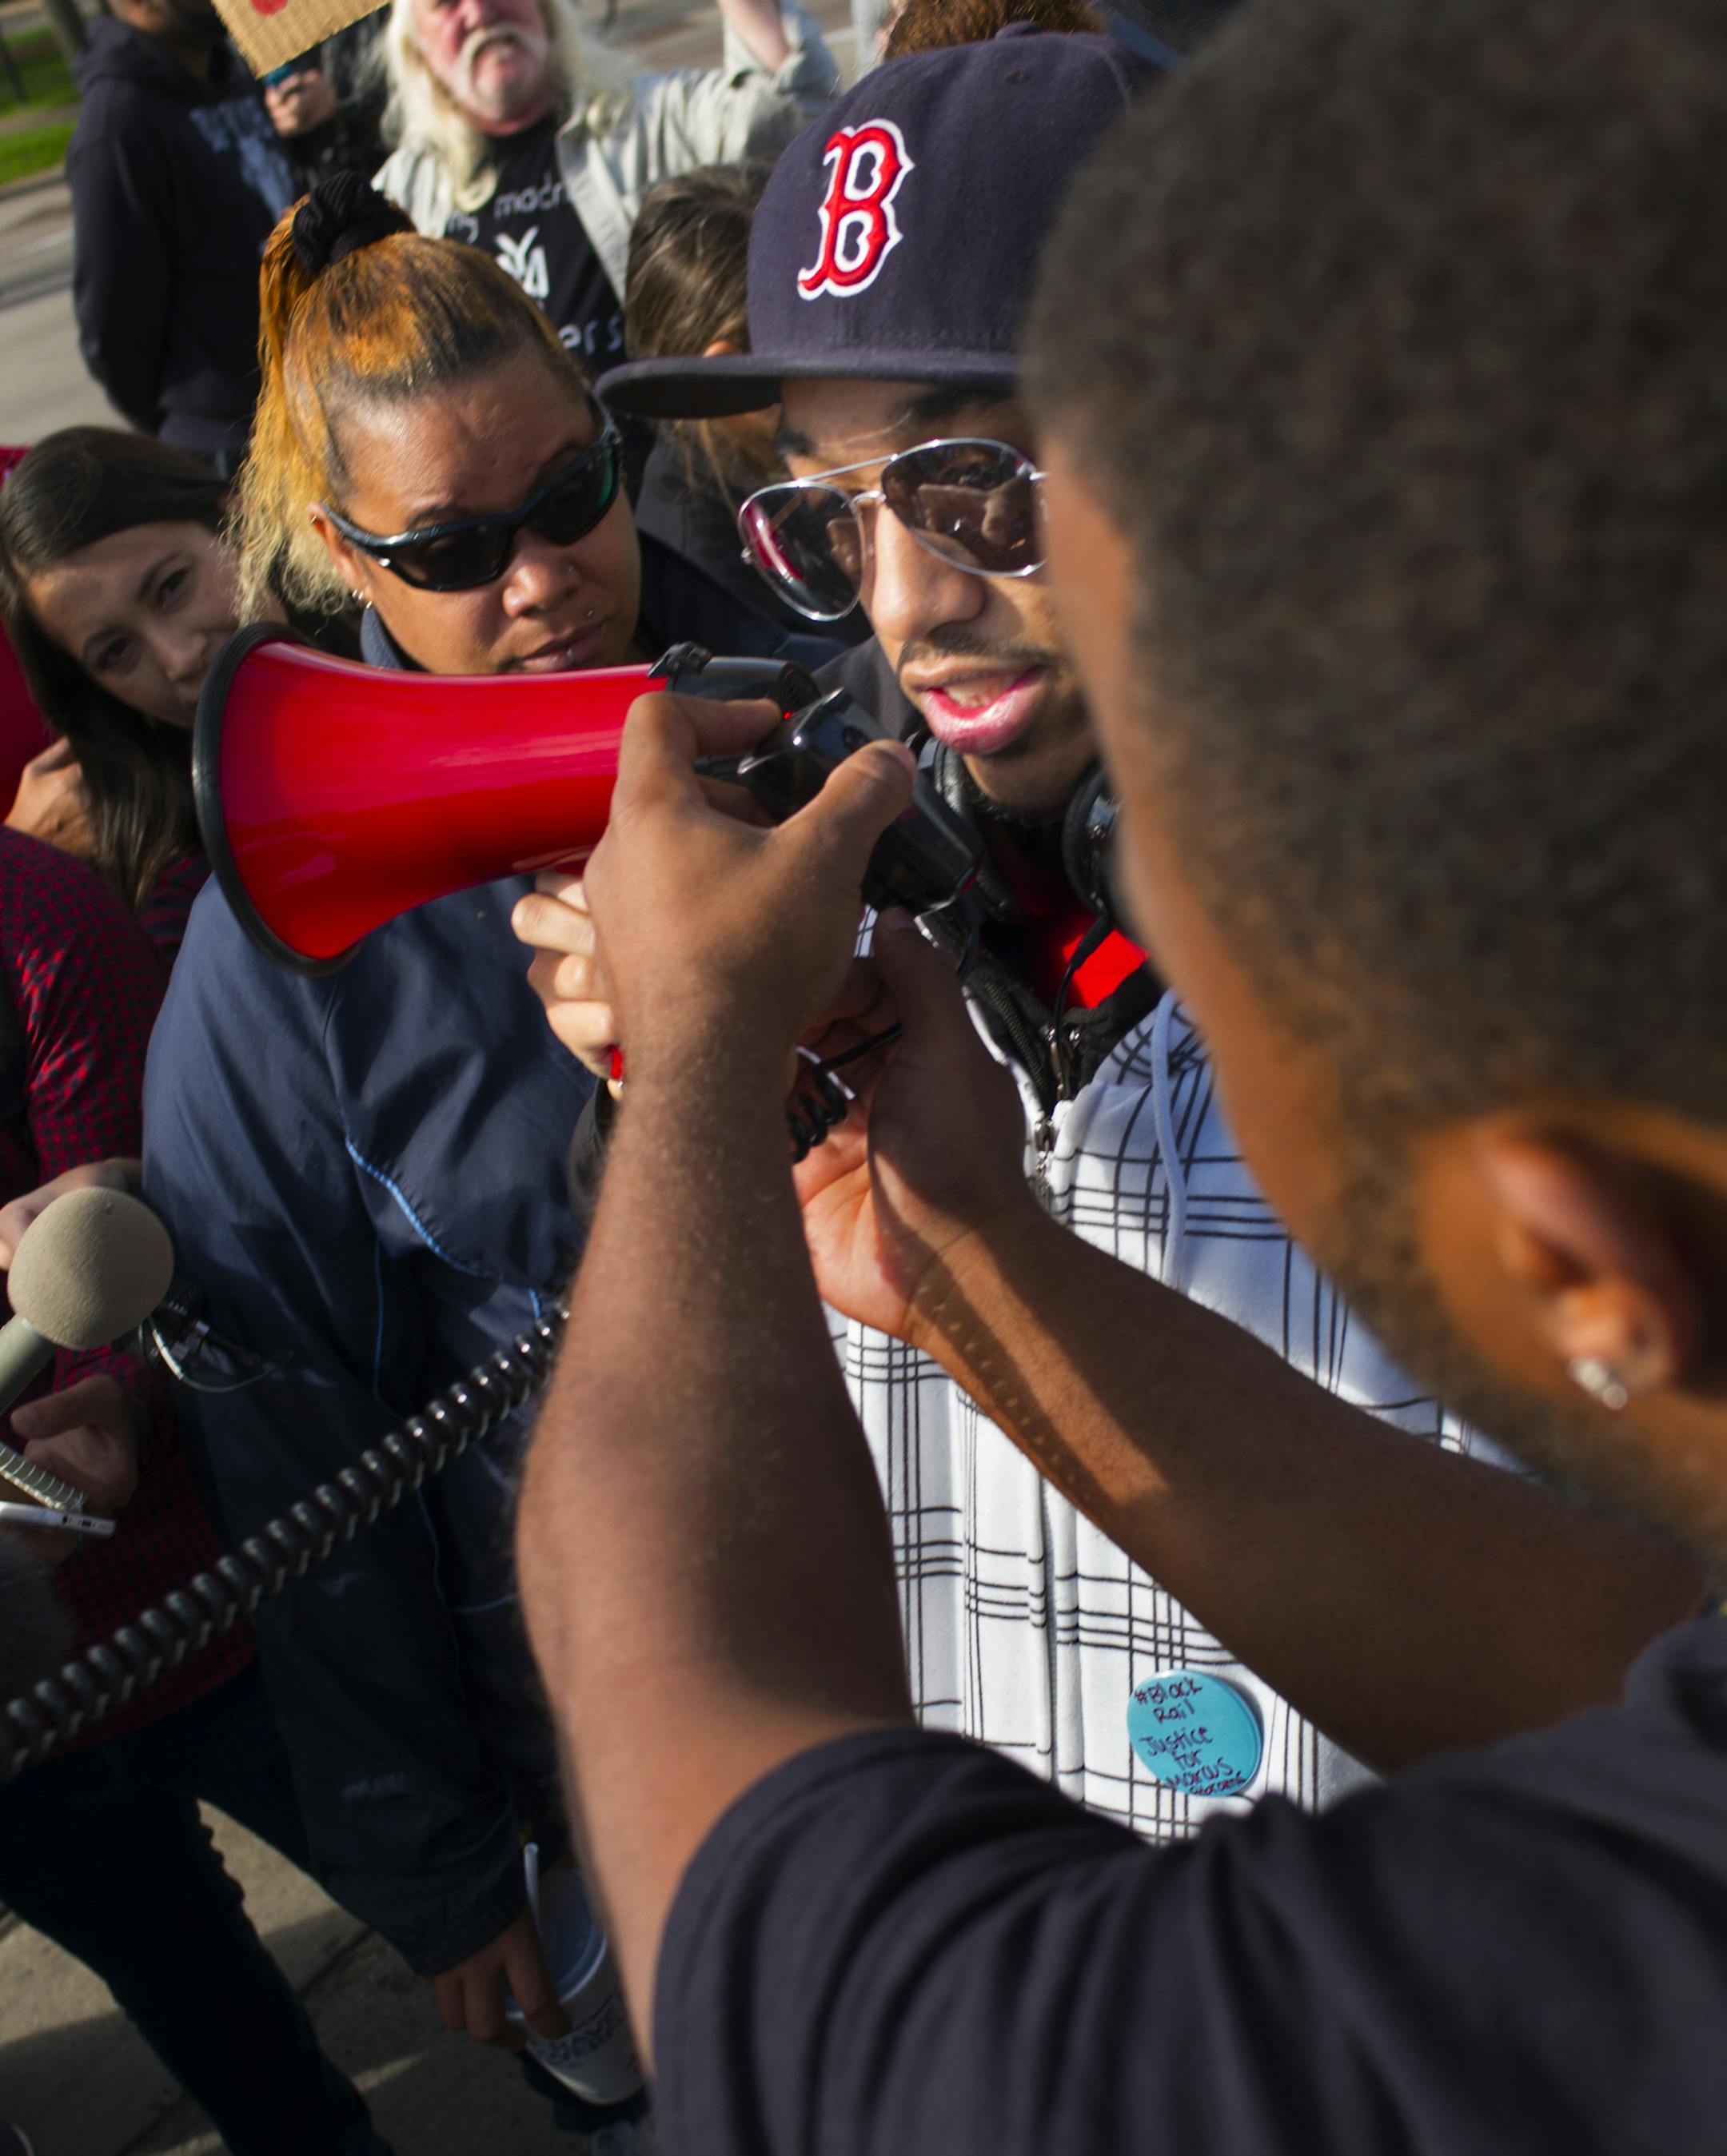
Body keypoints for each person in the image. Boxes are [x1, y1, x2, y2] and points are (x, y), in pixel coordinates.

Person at [508, 0, 1727, 2146]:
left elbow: (1619, 1673)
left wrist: (696, 1102)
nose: (905, 603)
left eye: (978, 485)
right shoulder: (863, 986)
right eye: (825, 516)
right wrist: (862, 1206)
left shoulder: (1505, 994)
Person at [143, 173, 813, 2140]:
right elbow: (294, 1437)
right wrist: (435, 1868)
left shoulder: (811, 653)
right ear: (344, 556)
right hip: (626, 1707)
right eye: (450, 547)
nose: (537, 577)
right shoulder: (280, 964)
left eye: (566, 494)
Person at [0, 827, 389, 2156]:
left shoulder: (30, 907)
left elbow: (140, 1204)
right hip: (22, 1722)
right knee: (226, 2041)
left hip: (208, 1588)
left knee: (486, 1906)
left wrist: (113, 1386)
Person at [373, 0, 836, 376]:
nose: (479, 11)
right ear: (418, 53)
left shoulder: (644, 122)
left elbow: (796, 114)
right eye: (446, 4)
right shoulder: (405, 194)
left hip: (656, 468)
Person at [0, 429, 276, 968]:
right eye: (116, 653)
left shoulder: (424, 637)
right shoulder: (185, 916)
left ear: (235, 518)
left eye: (172, 587)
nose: (179, 658)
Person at [625, 165, 869, 649]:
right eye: (818, 339)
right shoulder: (700, 571)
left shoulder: (787, 467)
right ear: (728, 375)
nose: (855, 355)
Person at [66, 0, 297, 472]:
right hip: (234, 452)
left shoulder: (229, 76)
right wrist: (198, 424)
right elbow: (114, 329)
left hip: (309, 407)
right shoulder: (118, 125)